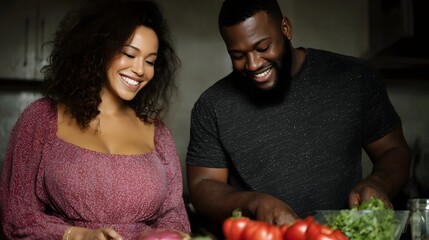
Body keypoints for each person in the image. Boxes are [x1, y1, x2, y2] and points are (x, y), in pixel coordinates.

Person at [186, 0, 411, 234]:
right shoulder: (212, 105)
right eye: (238, 55)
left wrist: (378, 183)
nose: (253, 64)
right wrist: (253, 203)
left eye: (263, 47)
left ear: (286, 29)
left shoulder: (354, 79)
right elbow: (202, 185)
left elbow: (393, 151)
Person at [0, 0, 190, 239]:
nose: (140, 70)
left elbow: (175, 217)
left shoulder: (158, 132)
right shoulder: (42, 118)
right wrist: (78, 235)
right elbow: (16, 216)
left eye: (150, 61)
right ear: (98, 50)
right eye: (129, 54)